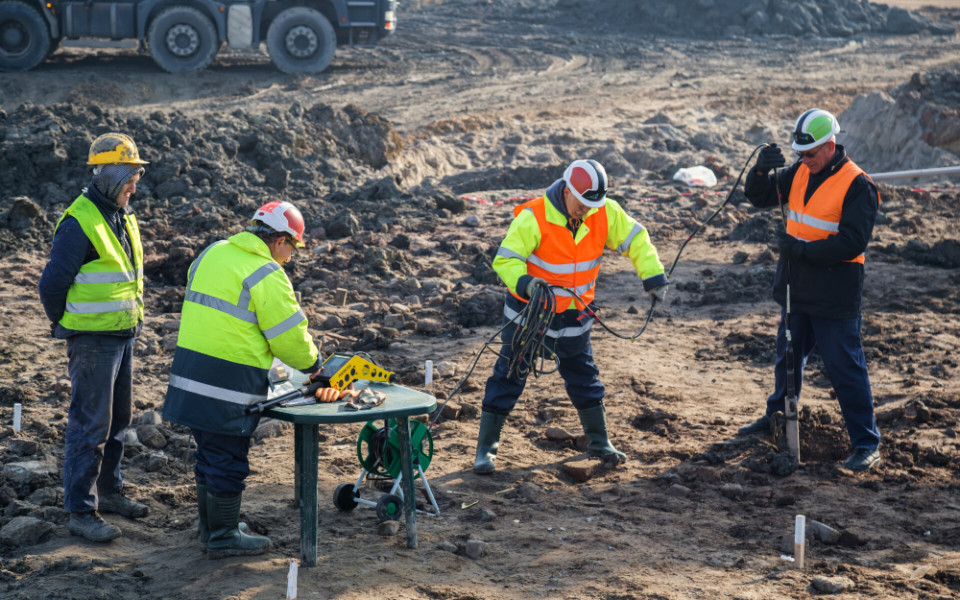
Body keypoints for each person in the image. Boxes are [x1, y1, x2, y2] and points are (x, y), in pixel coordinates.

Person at [473, 159, 668, 474]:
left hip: (575, 316)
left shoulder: (604, 211)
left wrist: (653, 276)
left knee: (583, 376)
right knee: (509, 374)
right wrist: (526, 283)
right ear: (567, 190)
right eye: (582, 203)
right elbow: (506, 260)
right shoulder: (533, 217)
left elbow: (637, 239)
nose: (587, 210)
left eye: (593, 205)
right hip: (529, 315)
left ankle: (599, 441)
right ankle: (485, 452)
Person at [162, 200, 326, 558]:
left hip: (189, 375)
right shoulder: (265, 272)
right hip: (227, 384)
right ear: (280, 240)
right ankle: (222, 537)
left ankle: (211, 530)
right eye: (292, 248)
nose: (290, 257)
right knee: (227, 458)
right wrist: (316, 367)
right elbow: (288, 337)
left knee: (208, 454)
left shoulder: (214, 252)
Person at [738, 108, 882, 472]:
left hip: (834, 296)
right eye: (801, 154)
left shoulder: (858, 185)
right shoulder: (801, 171)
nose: (806, 160)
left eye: (812, 153)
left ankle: (866, 443)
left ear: (830, 145)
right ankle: (775, 420)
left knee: (844, 368)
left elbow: (851, 242)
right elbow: (759, 196)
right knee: (786, 359)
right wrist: (759, 170)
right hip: (796, 289)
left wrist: (800, 251)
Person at [38, 133, 151, 542]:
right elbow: (51, 286)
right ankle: (81, 511)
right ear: (107, 175)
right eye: (129, 177)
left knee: (118, 419)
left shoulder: (121, 214)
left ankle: (109, 491)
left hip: (122, 336)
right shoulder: (79, 221)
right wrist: (64, 324)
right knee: (90, 424)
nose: (134, 186)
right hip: (92, 341)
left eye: (136, 177)